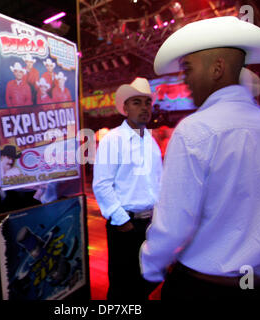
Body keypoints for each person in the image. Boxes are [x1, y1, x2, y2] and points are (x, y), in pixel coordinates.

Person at [140, 16, 260, 300]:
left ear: (217, 68)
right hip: (259, 290)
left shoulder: (195, 130)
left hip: (202, 288)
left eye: (188, 69)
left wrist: (151, 266)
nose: (183, 80)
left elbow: (174, 224)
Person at [93, 77, 163, 300]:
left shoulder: (151, 142)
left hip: (150, 225)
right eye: (136, 102)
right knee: (123, 289)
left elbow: (158, 183)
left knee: (147, 279)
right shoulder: (113, 139)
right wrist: (123, 221)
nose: (144, 108)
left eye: (147, 102)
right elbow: (102, 184)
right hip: (126, 225)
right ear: (125, 108)